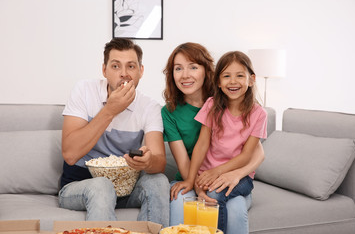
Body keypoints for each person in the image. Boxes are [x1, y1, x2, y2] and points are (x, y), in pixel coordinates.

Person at [58, 38, 169, 227]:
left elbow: (159, 161)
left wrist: (148, 161)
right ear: (104, 70)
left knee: (158, 180)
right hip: (79, 186)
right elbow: (69, 154)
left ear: (141, 71)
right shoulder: (84, 90)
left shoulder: (149, 107)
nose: (124, 74)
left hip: (126, 188)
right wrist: (110, 110)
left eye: (131, 66)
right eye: (116, 66)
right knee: (103, 185)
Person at [162, 43, 265, 234]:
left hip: (232, 177)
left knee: (232, 207)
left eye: (193, 67)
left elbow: (256, 153)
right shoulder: (205, 106)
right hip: (200, 178)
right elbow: (200, 147)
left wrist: (233, 174)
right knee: (181, 203)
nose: (185, 75)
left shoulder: (229, 98)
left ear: (206, 71)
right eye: (178, 68)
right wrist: (198, 185)